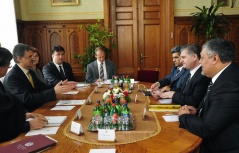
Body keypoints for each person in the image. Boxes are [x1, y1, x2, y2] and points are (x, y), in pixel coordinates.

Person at [178, 38, 239, 153]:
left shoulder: (229, 84)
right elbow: (220, 112)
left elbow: (208, 128)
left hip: (222, 147)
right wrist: (197, 111)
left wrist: (184, 116)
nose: (200, 62)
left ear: (215, 58)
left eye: (202, 57)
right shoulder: (225, 75)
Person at [3, 43, 71, 112]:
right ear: (19, 59)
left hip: (39, 108)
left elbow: (42, 87)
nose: (33, 58)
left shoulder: (30, 71)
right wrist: (54, 91)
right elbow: (27, 99)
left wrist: (61, 85)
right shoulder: (13, 77)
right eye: (30, 56)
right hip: (26, 114)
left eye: (33, 56)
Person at [0, 47, 47, 142]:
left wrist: (26, 115)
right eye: (8, 65)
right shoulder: (12, 76)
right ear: (1, 69)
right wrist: (27, 125)